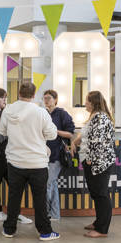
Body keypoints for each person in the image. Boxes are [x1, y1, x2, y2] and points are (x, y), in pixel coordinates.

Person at [0, 82, 59, 241]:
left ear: (19, 93)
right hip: (37, 162)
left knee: (14, 197)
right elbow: (52, 134)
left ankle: (9, 229)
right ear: (33, 95)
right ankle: (45, 231)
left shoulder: (8, 110)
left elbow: (2, 131)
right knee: (40, 198)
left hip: (15, 161)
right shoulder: (40, 112)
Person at [71, 91, 115, 238]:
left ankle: (102, 229)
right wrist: (74, 142)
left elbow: (98, 142)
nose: (85, 103)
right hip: (92, 161)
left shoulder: (101, 118)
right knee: (96, 193)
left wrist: (90, 159)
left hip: (98, 163)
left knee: (101, 194)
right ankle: (98, 222)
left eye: (87, 101)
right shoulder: (94, 117)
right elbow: (86, 135)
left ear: (93, 102)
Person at [0, 88, 32, 224]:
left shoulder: (6, 112)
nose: (5, 101)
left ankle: (15, 212)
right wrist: (7, 132)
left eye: (6, 98)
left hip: (8, 153)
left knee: (15, 184)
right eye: (2, 98)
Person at [43, 90, 75, 221]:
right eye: (44, 98)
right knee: (53, 183)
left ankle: (45, 213)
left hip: (57, 154)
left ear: (55, 99)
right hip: (43, 154)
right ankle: (55, 214)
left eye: (49, 98)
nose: (46, 100)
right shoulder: (43, 113)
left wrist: (54, 131)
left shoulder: (62, 114)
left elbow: (70, 134)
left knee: (48, 184)